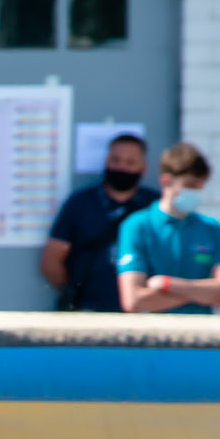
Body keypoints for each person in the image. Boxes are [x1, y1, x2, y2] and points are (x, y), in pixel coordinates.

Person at [41, 131, 157, 311]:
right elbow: (51, 261)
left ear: (143, 167)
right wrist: (75, 290)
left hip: (142, 311)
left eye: (130, 162)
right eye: (116, 160)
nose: (121, 168)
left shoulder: (153, 207)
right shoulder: (80, 203)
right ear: (106, 161)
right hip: (89, 309)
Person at [115, 142, 220, 315]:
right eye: (189, 185)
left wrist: (168, 285)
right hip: (154, 336)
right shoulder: (137, 226)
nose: (196, 192)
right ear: (166, 180)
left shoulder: (211, 228)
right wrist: (201, 293)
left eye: (200, 186)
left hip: (202, 335)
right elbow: (134, 300)